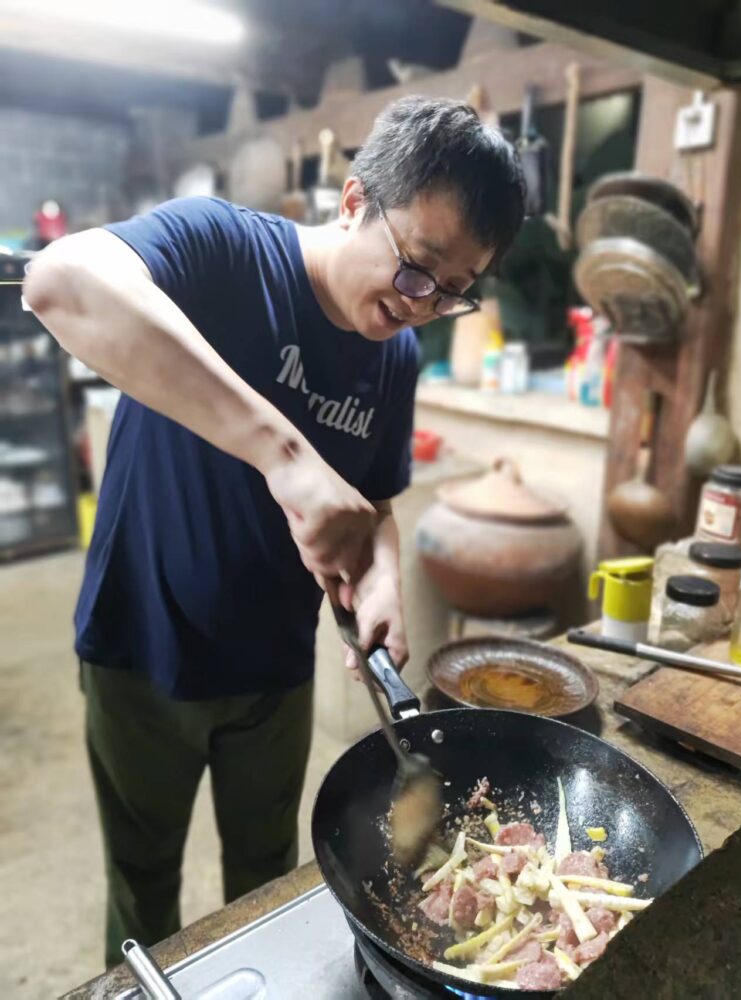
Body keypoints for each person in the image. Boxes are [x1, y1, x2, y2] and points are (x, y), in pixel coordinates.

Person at [24, 95, 525, 966]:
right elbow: (57, 282)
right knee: (143, 889)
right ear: (355, 200)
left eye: (454, 291)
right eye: (418, 267)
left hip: (274, 673)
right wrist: (284, 454)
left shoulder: (396, 354)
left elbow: (376, 504)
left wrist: (382, 577)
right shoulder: (224, 251)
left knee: (263, 888)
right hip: (143, 649)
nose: (421, 304)